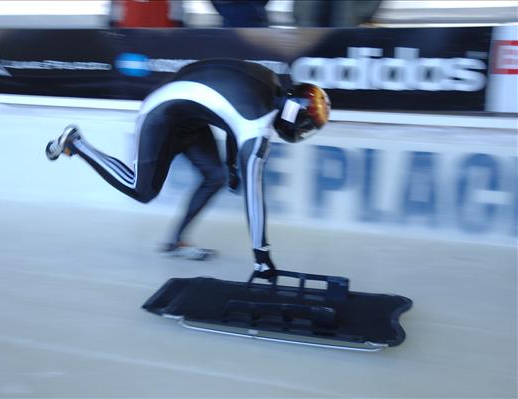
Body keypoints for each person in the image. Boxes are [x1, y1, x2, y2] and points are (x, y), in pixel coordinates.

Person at [45, 59, 330, 279]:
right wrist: (261, 256)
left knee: (215, 177)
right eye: (305, 127)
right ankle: (77, 143)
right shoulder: (256, 127)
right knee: (141, 190)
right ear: (293, 117)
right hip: (161, 114)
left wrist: (231, 165)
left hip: (189, 112)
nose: (302, 132)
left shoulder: (270, 81)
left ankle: (177, 241)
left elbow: (232, 117)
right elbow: (254, 196)